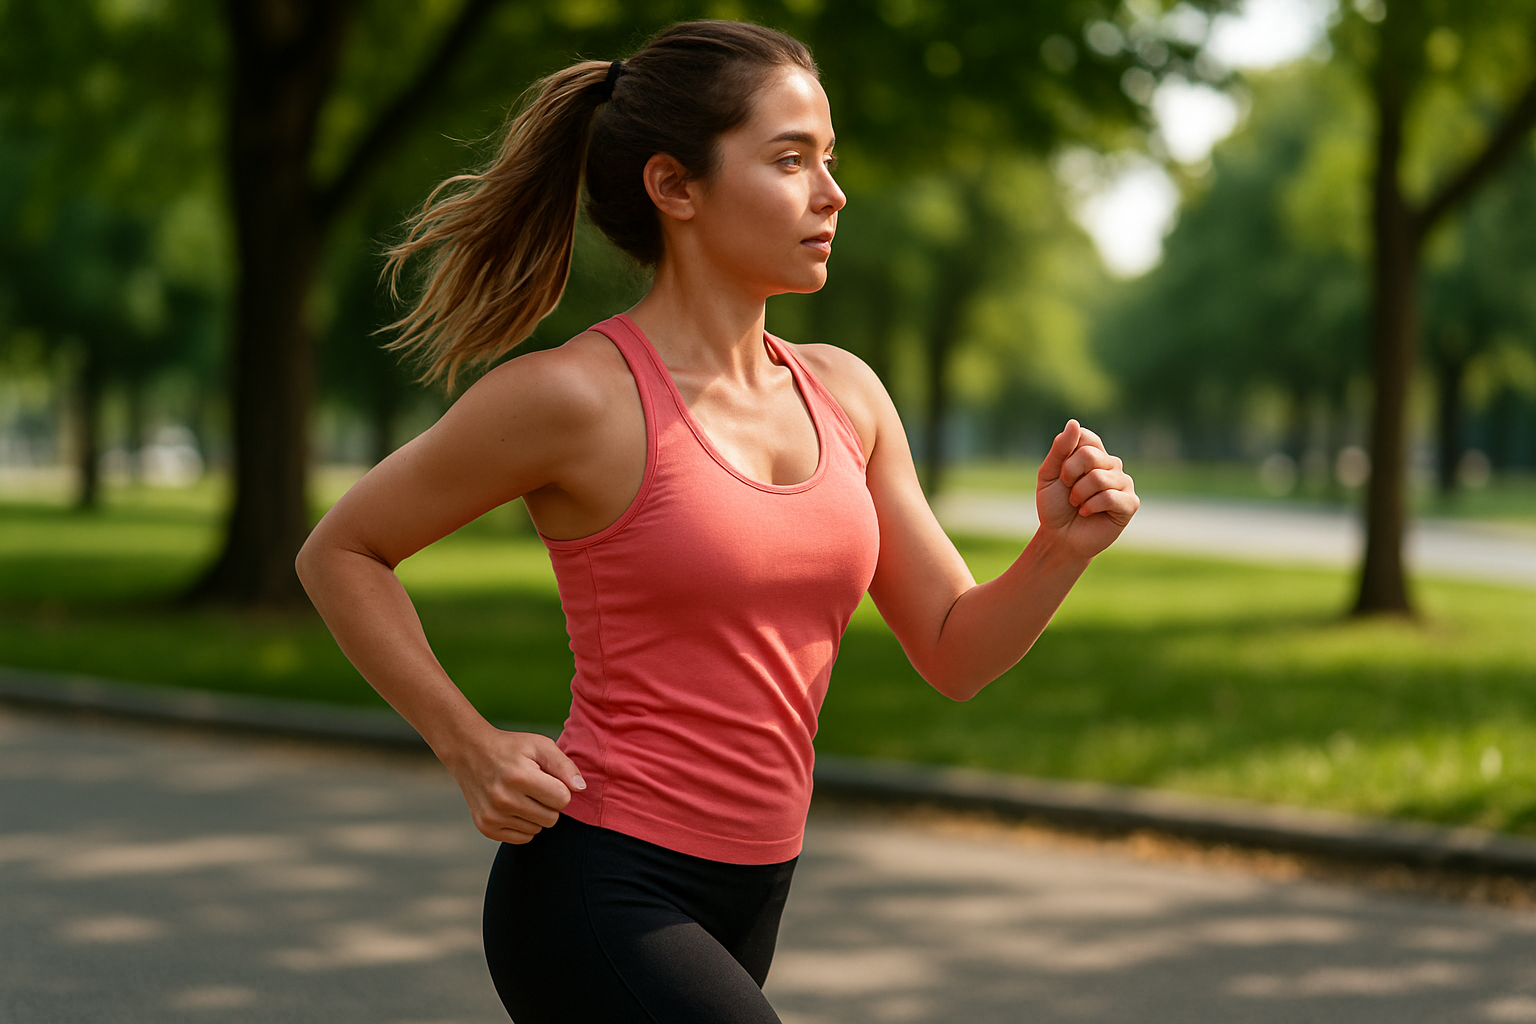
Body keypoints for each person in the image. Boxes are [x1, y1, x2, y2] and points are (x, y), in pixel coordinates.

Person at [296, 19, 1138, 1024]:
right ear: (675, 187)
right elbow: (341, 548)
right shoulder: (576, 399)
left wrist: (1061, 547)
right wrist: (468, 742)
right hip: (600, 886)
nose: (831, 194)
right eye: (790, 160)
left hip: (755, 888)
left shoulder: (847, 395)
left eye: (829, 160)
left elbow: (955, 651)